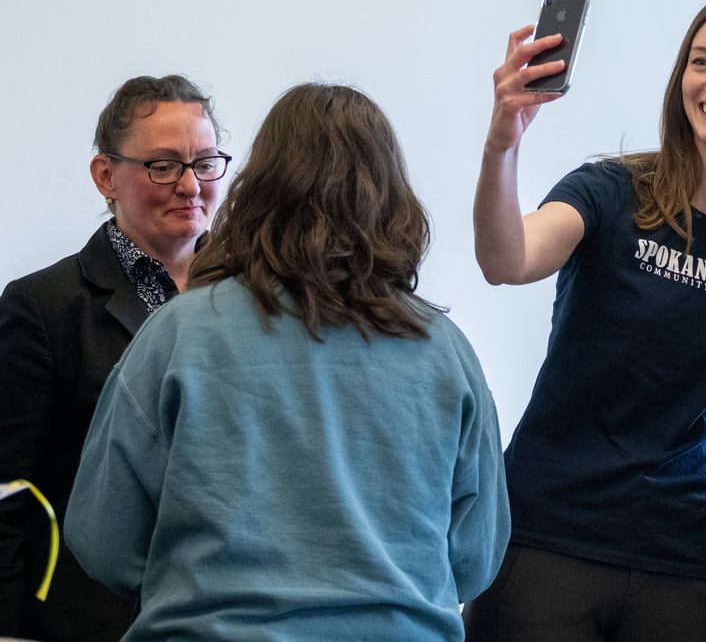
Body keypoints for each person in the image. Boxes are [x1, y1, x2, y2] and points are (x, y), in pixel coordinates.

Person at [64, 83, 509, 641]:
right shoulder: (448, 351)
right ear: (392, 196)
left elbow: (102, 539)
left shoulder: (179, 332)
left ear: (260, 187)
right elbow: (475, 560)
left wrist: (192, 586)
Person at [464, 0, 706, 642]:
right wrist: (500, 143)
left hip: (678, 565)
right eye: (701, 62)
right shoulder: (610, 191)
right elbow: (506, 258)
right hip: (546, 541)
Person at [0, 74, 226, 641]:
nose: (190, 185)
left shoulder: (254, 302)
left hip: (223, 613)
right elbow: (7, 498)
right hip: (88, 620)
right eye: (163, 165)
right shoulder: (43, 307)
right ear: (106, 175)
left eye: (204, 163)